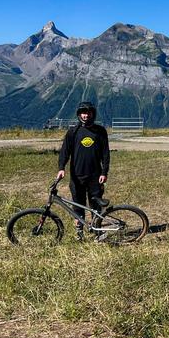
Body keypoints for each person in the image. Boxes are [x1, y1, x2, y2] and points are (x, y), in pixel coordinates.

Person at [57, 101, 110, 240]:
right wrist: (61, 168)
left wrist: (104, 172)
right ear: (79, 114)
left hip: (95, 175)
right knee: (78, 204)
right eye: (83, 113)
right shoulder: (73, 132)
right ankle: (79, 232)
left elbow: (105, 154)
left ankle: (97, 231)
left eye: (88, 112)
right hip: (77, 175)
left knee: (95, 205)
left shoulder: (100, 131)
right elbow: (65, 152)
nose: (86, 115)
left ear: (93, 113)